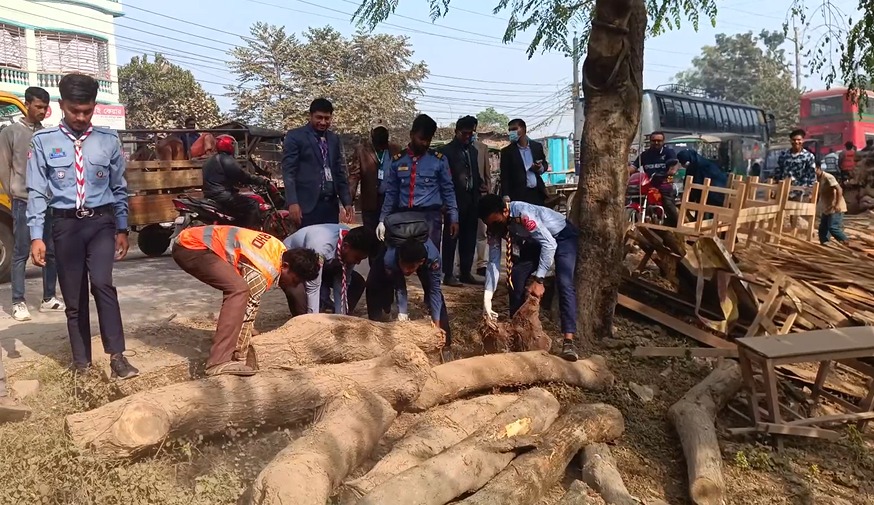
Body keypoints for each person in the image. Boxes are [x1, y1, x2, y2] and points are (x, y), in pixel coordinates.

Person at [26, 73, 138, 378]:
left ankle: (117, 357)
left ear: (94, 106)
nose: (80, 117)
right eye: (74, 110)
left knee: (103, 284)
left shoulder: (107, 140)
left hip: (100, 223)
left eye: (87, 111)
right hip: (64, 227)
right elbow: (36, 192)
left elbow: (119, 188)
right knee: (73, 297)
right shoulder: (43, 142)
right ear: (62, 105)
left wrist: (122, 228)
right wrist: (37, 236)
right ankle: (82, 364)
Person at [172, 225, 321, 376]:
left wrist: (248, 331)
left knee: (240, 289)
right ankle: (219, 361)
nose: (293, 285)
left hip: (195, 242)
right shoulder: (264, 268)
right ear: (286, 266)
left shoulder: (279, 249)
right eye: (294, 280)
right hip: (191, 247)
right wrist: (241, 356)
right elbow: (248, 310)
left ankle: (225, 349)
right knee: (238, 290)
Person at [479, 194, 579, 362]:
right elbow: (493, 262)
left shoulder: (523, 214)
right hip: (534, 242)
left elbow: (550, 244)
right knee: (515, 280)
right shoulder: (494, 226)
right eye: (489, 224)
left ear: (505, 211)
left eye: (496, 222)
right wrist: (487, 297)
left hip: (561, 237)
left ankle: (568, 341)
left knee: (565, 283)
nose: (494, 228)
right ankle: (516, 336)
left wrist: (539, 280)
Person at [0, 86, 65, 321]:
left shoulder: (47, 135)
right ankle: (18, 301)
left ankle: (49, 297)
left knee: (51, 250)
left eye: (45, 107)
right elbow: (4, 168)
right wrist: (16, 193)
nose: (42, 111)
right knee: (20, 252)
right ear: (27, 104)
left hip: (48, 203)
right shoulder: (11, 133)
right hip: (23, 202)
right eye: (38, 106)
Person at [366, 230, 452, 362]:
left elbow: (434, 291)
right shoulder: (390, 259)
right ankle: (376, 335)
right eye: (404, 266)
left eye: (411, 267)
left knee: (435, 296)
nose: (406, 270)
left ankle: (445, 346)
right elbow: (400, 287)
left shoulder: (433, 259)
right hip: (391, 258)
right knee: (374, 285)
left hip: (421, 260)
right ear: (399, 259)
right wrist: (403, 314)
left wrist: (437, 325)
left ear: (421, 262)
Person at [378, 114, 458, 249]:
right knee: (403, 261)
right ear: (411, 134)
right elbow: (391, 193)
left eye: (428, 140)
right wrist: (382, 220)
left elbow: (448, 191)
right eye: (421, 139)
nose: (425, 143)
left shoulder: (439, 160)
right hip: (404, 218)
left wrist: (454, 218)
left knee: (430, 261)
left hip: (430, 219)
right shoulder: (398, 160)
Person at [282, 98, 353, 229]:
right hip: (305, 207)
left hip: (330, 207)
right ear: (310, 116)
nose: (323, 122)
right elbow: (288, 172)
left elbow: (338, 172)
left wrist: (347, 201)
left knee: (328, 245)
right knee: (307, 247)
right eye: (319, 117)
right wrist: (293, 202)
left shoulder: (333, 139)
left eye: (327, 118)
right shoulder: (295, 136)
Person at [283, 224, 378, 316]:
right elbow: (313, 287)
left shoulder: (350, 240)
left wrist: (340, 318)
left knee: (357, 282)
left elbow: (342, 282)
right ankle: (304, 323)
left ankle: (337, 314)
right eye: (357, 258)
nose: (358, 262)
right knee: (298, 292)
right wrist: (313, 320)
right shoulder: (321, 247)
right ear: (345, 247)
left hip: (324, 266)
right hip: (296, 267)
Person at [439, 115, 483, 287]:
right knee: (451, 238)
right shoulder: (446, 151)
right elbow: (441, 180)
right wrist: (444, 204)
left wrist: (479, 186)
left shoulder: (473, 151)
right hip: (453, 202)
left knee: (469, 238)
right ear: (456, 131)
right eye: (464, 133)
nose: (467, 136)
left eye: (470, 133)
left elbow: (475, 173)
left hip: (471, 201)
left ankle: (465, 272)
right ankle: (448, 273)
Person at [201, 134, 268, 229]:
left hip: (211, 195)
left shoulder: (210, 160)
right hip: (223, 196)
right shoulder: (226, 159)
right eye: (233, 144)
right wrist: (259, 180)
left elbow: (223, 177)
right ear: (229, 145)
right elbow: (242, 175)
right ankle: (249, 233)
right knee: (253, 204)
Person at [348, 123, 402, 238]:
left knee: (389, 237)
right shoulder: (362, 150)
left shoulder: (396, 149)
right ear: (372, 137)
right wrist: (349, 201)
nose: (381, 147)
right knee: (371, 237)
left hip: (390, 201)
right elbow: (354, 176)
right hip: (370, 202)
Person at [499, 118, 549, 206]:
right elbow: (505, 176)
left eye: (514, 129)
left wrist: (539, 168)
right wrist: (506, 195)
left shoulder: (536, 147)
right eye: (510, 130)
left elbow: (544, 164)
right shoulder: (507, 152)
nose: (511, 133)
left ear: (524, 130)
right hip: (519, 196)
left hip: (537, 193)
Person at [472, 118, 492, 276]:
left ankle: (482, 264)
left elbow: (487, 175)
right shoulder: (453, 149)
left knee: (482, 232)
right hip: (463, 197)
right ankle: (459, 266)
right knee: (460, 234)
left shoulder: (483, 148)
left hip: (480, 196)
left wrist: (488, 195)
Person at [775, 129, 817, 201]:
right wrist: (775, 187)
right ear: (791, 141)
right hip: (785, 192)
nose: (796, 142)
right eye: (794, 140)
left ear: (803, 140)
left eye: (799, 140)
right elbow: (778, 172)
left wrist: (810, 192)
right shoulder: (784, 156)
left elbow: (811, 176)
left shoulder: (808, 156)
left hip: (801, 193)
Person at [815, 161, 850, 245]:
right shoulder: (817, 179)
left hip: (835, 206)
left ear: (818, 168)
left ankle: (846, 241)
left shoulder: (828, 177)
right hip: (827, 206)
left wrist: (837, 204)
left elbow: (839, 189)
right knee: (823, 228)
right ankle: (825, 244)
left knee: (833, 227)